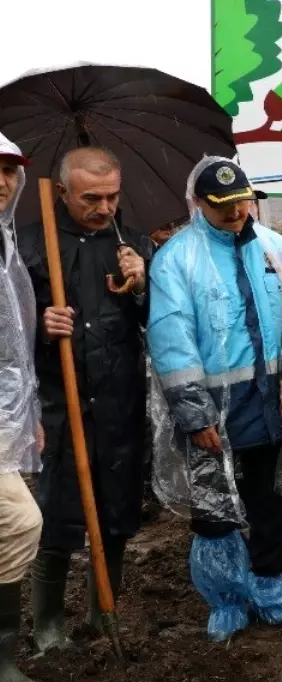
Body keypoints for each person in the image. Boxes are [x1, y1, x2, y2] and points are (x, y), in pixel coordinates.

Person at [147, 157, 282, 642]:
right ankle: (227, 597)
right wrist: (194, 414)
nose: (236, 212)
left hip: (266, 399)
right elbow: (172, 339)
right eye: (223, 206)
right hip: (212, 408)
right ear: (199, 205)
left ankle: (270, 582)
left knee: (267, 497)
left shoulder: (275, 249)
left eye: (242, 201)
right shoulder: (177, 259)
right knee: (214, 505)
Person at [18, 147, 152, 652]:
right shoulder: (31, 247)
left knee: (115, 510)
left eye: (112, 196)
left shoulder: (134, 246)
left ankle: (104, 610)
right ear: (62, 193)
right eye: (91, 197)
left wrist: (143, 286)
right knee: (57, 511)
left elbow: (157, 325)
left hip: (119, 405)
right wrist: (42, 328)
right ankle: (48, 622)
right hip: (58, 404)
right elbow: (8, 333)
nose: (104, 208)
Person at [0, 134, 49, 682]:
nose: (2, 181)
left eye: (11, 170)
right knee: (20, 522)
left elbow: (15, 347)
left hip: (8, 419)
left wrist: (26, 412)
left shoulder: (7, 243)